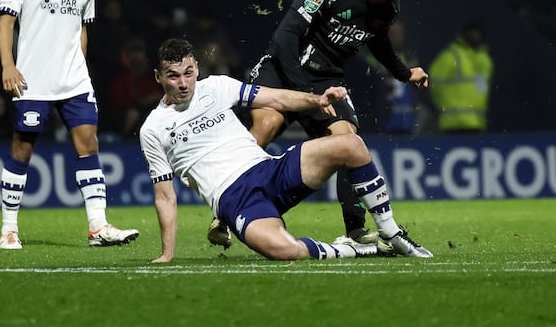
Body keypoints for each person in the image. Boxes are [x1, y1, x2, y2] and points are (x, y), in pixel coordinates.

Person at [213, 0, 430, 247]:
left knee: (347, 140)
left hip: (325, 79)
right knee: (267, 125)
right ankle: (223, 215)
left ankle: (355, 231)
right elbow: (285, 36)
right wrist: (306, 97)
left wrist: (403, 72)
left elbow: (379, 42)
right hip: (282, 67)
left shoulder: (389, 7)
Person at [140, 38, 433, 262]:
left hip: (268, 171)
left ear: (197, 69)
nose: (183, 83)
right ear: (158, 76)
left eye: (188, 73)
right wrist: (167, 253)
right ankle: (354, 249)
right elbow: (165, 196)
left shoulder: (216, 87)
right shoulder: (153, 129)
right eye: (173, 76)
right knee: (283, 249)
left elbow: (276, 99)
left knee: (350, 144)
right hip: (235, 200)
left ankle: (390, 231)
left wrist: (316, 100)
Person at [0, 0, 139, 250]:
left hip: (74, 80)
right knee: (22, 149)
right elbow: (5, 22)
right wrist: (8, 65)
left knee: (89, 145)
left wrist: (81, 68)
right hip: (32, 80)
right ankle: (9, 229)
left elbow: (82, 30)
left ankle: (98, 227)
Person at [428, 22, 494, 133]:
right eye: (471, 33)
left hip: (477, 123)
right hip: (452, 123)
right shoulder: (451, 56)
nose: (475, 36)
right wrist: (443, 107)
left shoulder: (484, 59)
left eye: (477, 33)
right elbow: (434, 84)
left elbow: (482, 90)